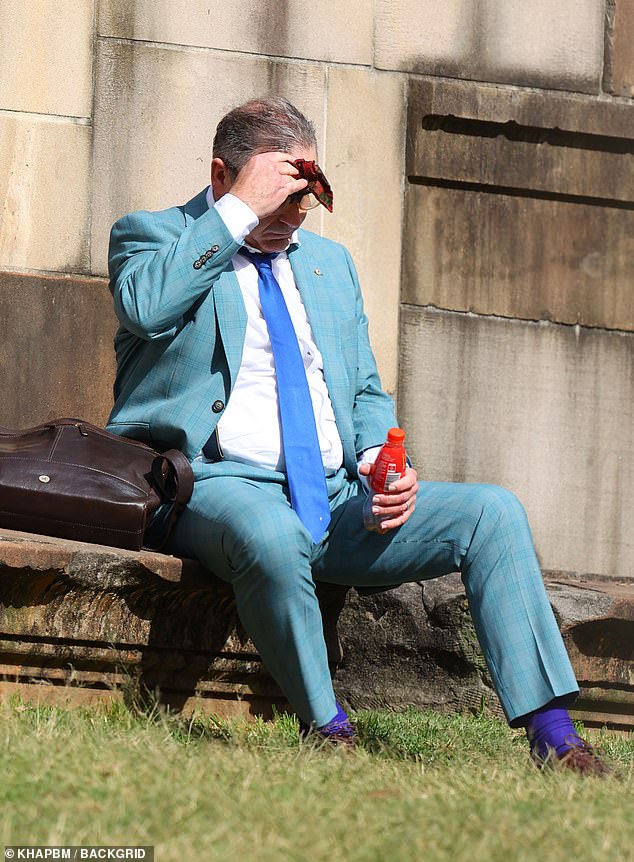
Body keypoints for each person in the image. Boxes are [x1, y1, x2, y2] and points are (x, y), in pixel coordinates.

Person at [106, 96, 607, 774]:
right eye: (274, 201)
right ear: (222, 177)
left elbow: (364, 388)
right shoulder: (153, 235)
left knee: (493, 512)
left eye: (300, 203)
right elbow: (145, 306)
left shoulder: (328, 265)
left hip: (337, 496)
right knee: (271, 534)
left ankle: (555, 737)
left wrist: (377, 458)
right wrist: (233, 216)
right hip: (212, 484)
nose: (290, 220)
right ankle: (328, 727)